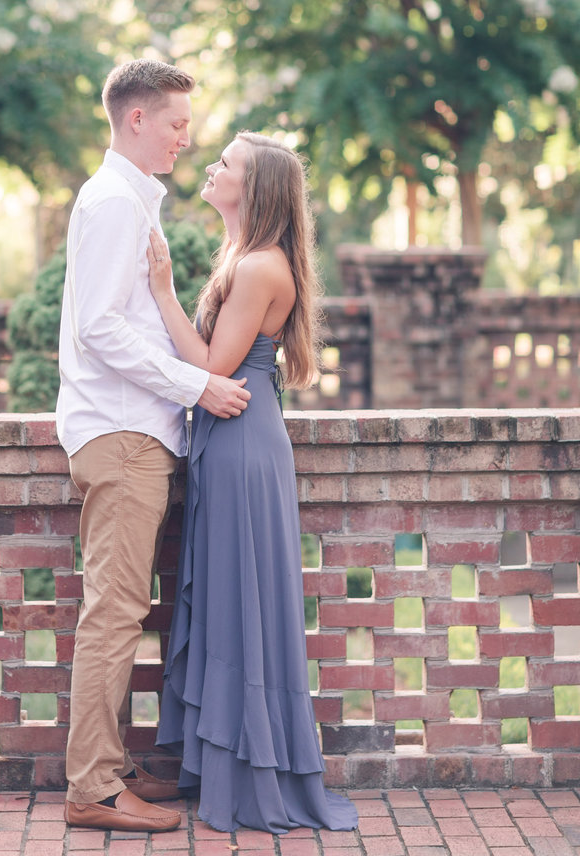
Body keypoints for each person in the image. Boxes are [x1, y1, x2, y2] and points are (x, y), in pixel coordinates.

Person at [56, 59, 252, 834]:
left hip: (134, 434)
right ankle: (95, 790)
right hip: (123, 435)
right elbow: (100, 329)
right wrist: (194, 386)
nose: (185, 138)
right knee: (114, 613)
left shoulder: (127, 201)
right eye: (176, 123)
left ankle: (110, 767)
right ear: (135, 119)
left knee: (124, 607)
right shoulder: (112, 204)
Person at [146, 131, 359, 835]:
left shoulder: (261, 267)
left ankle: (247, 775)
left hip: (241, 444)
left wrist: (161, 290)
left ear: (255, 187)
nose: (211, 167)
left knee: (240, 599)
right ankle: (219, 765)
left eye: (225, 165)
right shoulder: (244, 258)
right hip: (230, 436)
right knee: (226, 597)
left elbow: (211, 362)